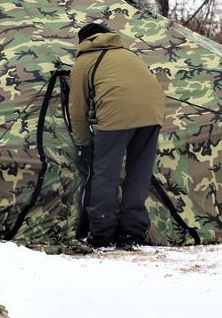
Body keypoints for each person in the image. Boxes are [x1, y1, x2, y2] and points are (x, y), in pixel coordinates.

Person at [68, 22, 165, 249]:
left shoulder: (83, 61)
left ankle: (102, 236)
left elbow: (77, 109)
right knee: (139, 174)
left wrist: (83, 145)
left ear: (84, 41)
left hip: (116, 113)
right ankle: (131, 235)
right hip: (153, 112)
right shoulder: (128, 53)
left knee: (105, 175)